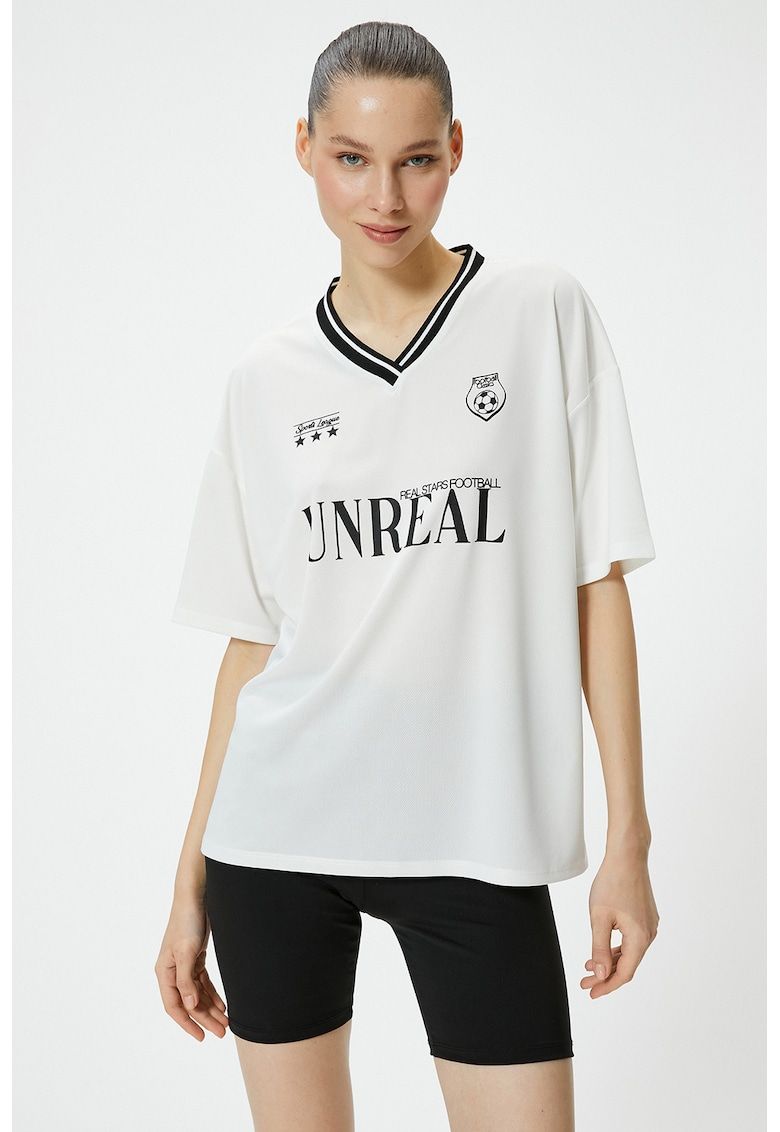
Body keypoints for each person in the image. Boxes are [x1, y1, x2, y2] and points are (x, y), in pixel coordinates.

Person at [154, 20, 660, 1132]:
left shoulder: (540, 313)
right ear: (304, 148)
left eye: (416, 160)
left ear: (455, 150)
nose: (384, 197)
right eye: (351, 158)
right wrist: (188, 879)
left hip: (478, 835)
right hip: (276, 841)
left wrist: (628, 835)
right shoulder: (264, 381)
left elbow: (596, 584)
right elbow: (254, 644)